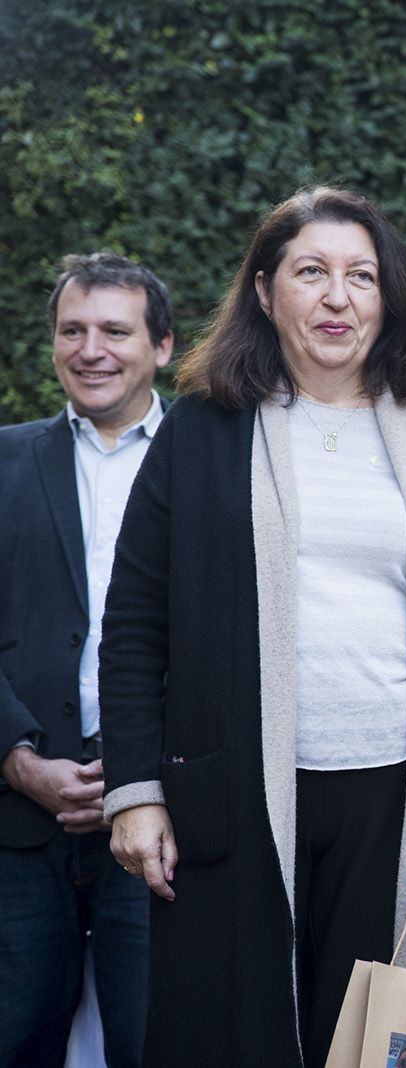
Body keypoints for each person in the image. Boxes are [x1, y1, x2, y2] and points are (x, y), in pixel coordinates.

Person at [98, 187, 406, 1067]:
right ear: (265, 292)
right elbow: (136, 623)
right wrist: (136, 792)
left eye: (361, 276)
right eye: (312, 273)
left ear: (389, 297)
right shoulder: (200, 433)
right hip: (237, 793)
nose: (339, 297)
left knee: (381, 1038)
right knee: (236, 1031)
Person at [0, 252, 174, 1067]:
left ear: (162, 346)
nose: (90, 349)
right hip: (18, 819)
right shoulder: (6, 461)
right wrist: (18, 759)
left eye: (114, 330)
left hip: (164, 816)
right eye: (72, 330)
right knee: (18, 1033)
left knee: (153, 1039)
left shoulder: (216, 465)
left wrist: (145, 772)